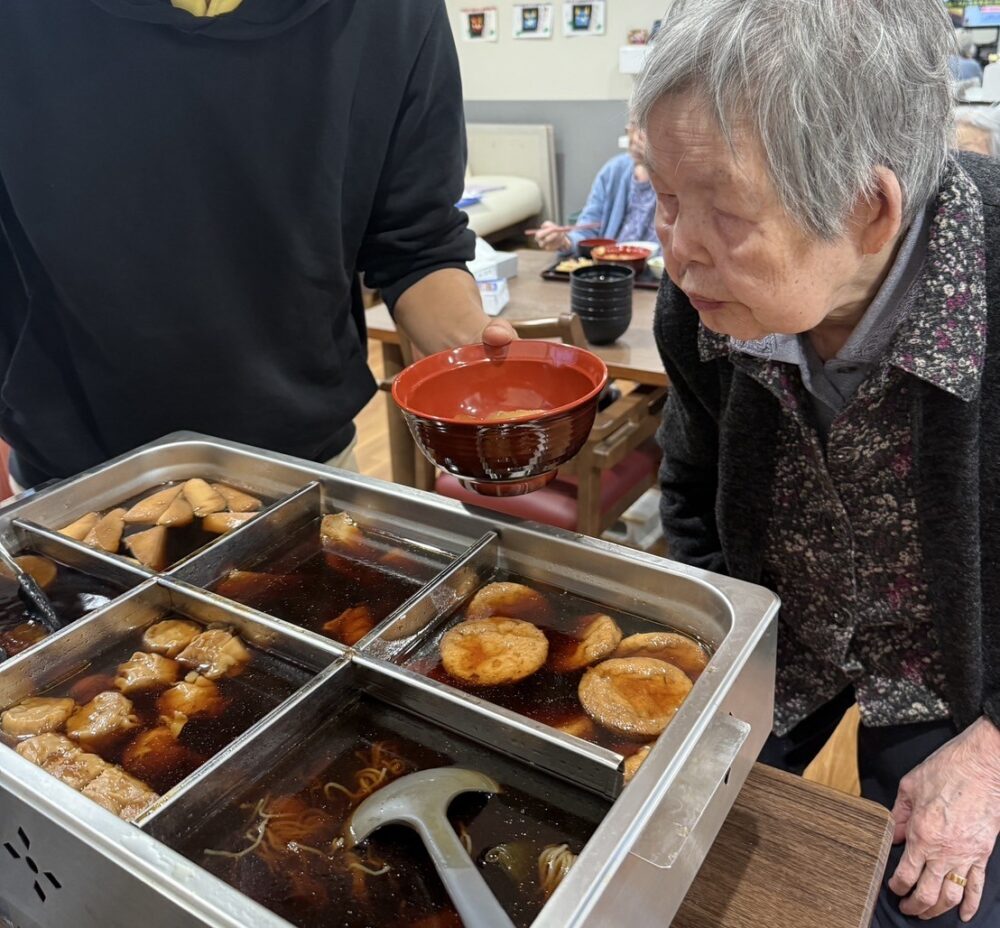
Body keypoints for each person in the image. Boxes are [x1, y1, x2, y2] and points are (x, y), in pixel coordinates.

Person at [634, 0, 1000, 924]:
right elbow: (690, 486)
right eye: (662, 195)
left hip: (965, 674)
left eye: (721, 210)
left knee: (938, 905)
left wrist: (992, 747)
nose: (677, 252)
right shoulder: (703, 300)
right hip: (781, 642)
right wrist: (714, 652)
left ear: (869, 209)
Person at [0, 0, 514, 490]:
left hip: (307, 463)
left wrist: (481, 362)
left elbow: (415, 241)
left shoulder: (396, 14)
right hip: (74, 481)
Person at [533, 123, 657, 253]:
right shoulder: (614, 171)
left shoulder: (677, 179)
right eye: (632, 127)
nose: (636, 139)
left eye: (645, 129)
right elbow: (586, 231)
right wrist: (564, 241)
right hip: (613, 266)